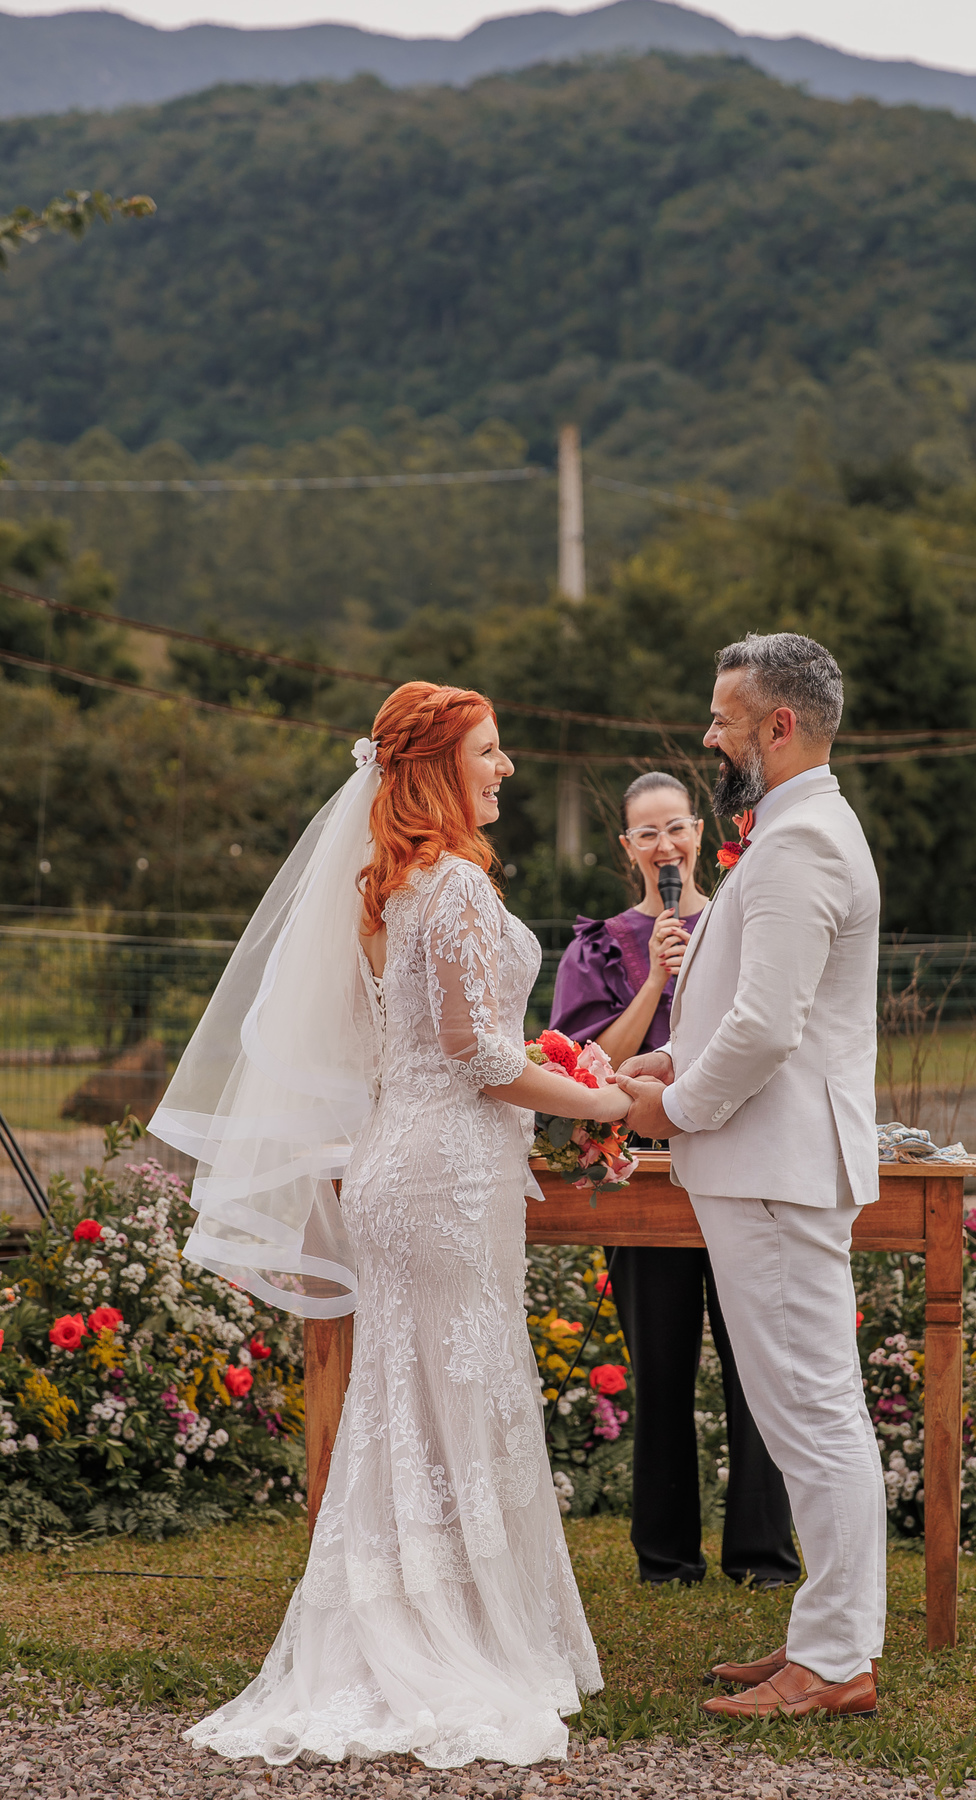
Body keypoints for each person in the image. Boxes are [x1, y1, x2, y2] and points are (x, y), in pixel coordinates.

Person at [151, 682, 630, 1770]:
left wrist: (556, 1066)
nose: (504, 769)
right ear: (437, 765)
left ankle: (414, 1613)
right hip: (441, 1173)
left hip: (406, 1163)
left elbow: (435, 1042)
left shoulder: (387, 886)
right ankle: (452, 1636)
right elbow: (476, 1056)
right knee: (455, 1390)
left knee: (409, 1400)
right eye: (489, 751)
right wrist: (598, 1100)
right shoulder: (449, 883)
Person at [616, 632, 886, 1721]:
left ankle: (837, 1661)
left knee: (812, 1413)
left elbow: (771, 1028)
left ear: (779, 725)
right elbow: (756, 1009)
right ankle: (824, 1638)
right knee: (800, 1410)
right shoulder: (790, 831)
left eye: (723, 720)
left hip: (776, 1169)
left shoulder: (801, 842)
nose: (708, 736)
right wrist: (672, 1060)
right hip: (769, 1164)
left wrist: (673, 1109)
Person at [550, 771, 800, 1590]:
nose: (665, 845)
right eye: (647, 833)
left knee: (756, 1360)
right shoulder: (598, 949)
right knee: (659, 1366)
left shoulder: (744, 922)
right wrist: (657, 981)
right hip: (641, 1176)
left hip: (741, 1165)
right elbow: (583, 1070)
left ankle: (762, 1555)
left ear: (700, 834)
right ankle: (666, 1558)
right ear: (628, 847)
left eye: (677, 828)